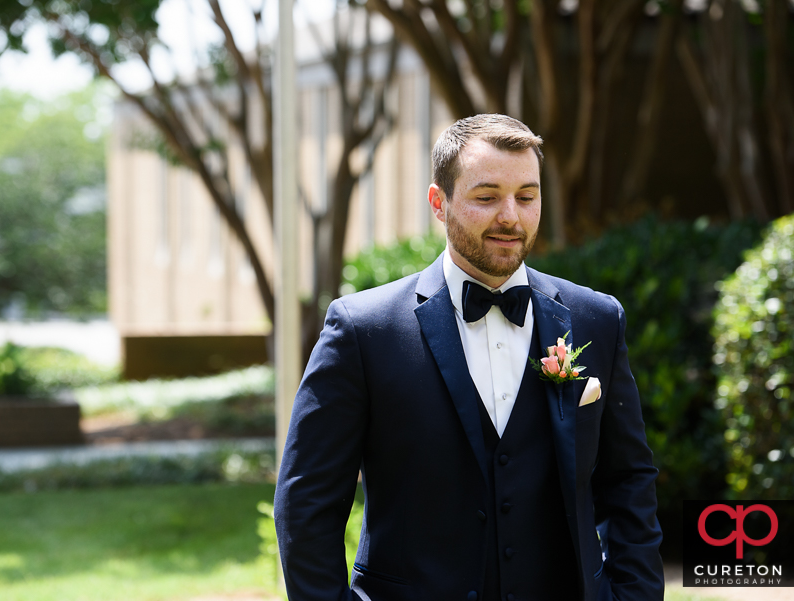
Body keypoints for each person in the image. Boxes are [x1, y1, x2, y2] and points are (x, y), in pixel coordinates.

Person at [274, 114, 663, 601]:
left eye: (526, 196)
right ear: (440, 202)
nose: (510, 216)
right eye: (486, 197)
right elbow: (306, 502)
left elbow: (628, 482)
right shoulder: (362, 329)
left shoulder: (596, 319)